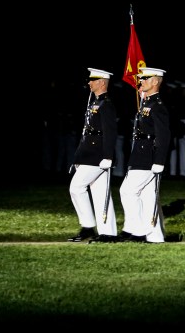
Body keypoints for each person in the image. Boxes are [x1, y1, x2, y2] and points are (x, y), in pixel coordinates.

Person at [119, 67, 170, 243]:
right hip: (141, 154)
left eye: (145, 78)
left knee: (127, 191)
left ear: (155, 81)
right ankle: (155, 236)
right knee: (148, 197)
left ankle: (138, 230)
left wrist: (159, 161)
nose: (141, 81)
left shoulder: (157, 106)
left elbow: (163, 136)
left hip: (149, 156)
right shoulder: (146, 103)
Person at [67, 68, 119, 242]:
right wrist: (78, 157)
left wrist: (108, 156)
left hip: (97, 156)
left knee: (76, 187)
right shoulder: (95, 102)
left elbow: (110, 133)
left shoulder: (106, 104)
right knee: (100, 194)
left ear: (102, 83)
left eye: (93, 80)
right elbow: (86, 133)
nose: (89, 83)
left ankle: (88, 226)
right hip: (89, 154)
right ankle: (108, 232)